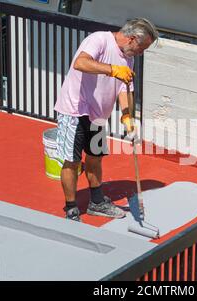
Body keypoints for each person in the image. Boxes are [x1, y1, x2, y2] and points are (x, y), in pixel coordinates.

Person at [54, 18, 159, 222]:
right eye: (142, 47)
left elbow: (125, 89)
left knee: (95, 158)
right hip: (75, 110)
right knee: (72, 161)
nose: (141, 52)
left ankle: (96, 202)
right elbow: (80, 63)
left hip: (98, 114)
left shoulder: (128, 57)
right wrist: (112, 69)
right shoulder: (99, 40)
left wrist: (127, 115)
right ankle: (72, 209)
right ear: (131, 39)